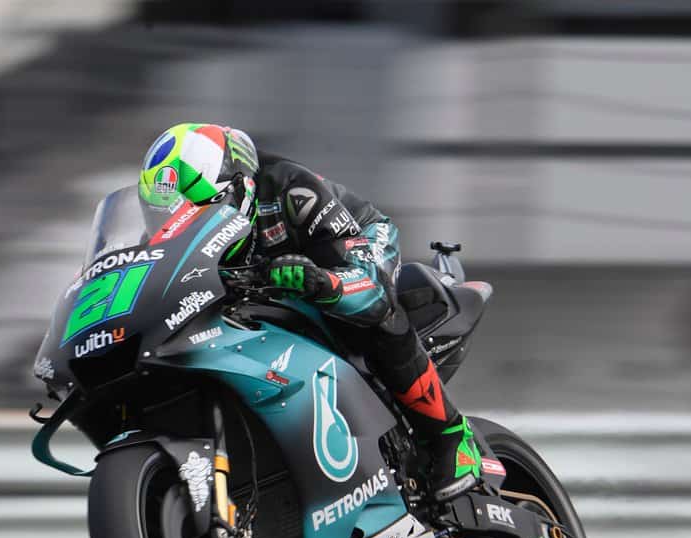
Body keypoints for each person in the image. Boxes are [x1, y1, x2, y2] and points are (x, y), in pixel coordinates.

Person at [138, 122, 482, 502]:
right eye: (165, 217)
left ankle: (451, 436)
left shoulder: (291, 189)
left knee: (375, 313)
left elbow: (370, 286)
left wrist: (322, 281)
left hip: (354, 248)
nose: (181, 225)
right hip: (266, 288)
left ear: (239, 188)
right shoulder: (167, 241)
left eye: (200, 210)